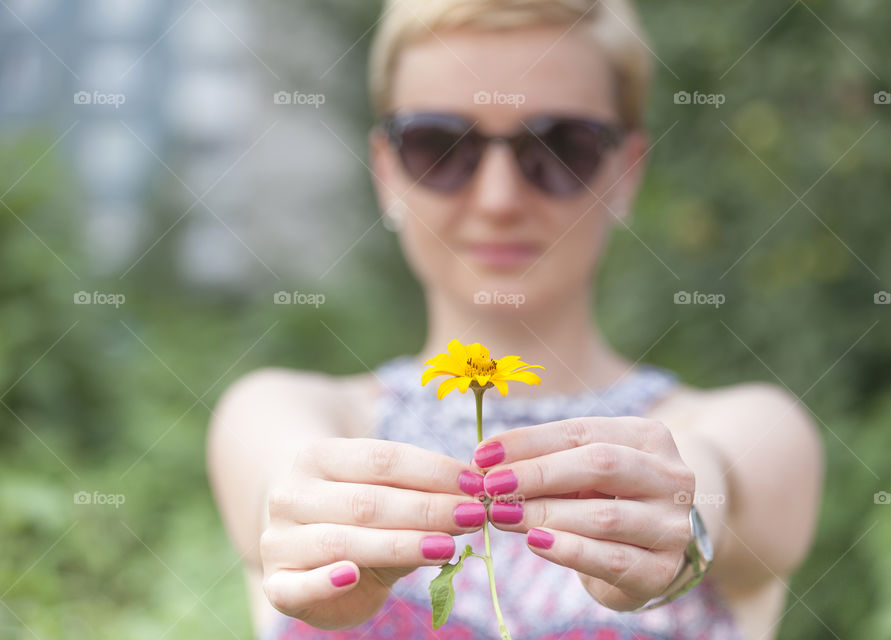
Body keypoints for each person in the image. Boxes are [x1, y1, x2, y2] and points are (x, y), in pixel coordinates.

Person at [207, 1, 824, 638]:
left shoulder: (747, 426)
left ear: (626, 175)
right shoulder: (291, 414)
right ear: (386, 170)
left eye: (559, 148)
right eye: (440, 146)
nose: (498, 200)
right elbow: (278, 480)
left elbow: (721, 472)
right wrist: (304, 520)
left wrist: (683, 519)